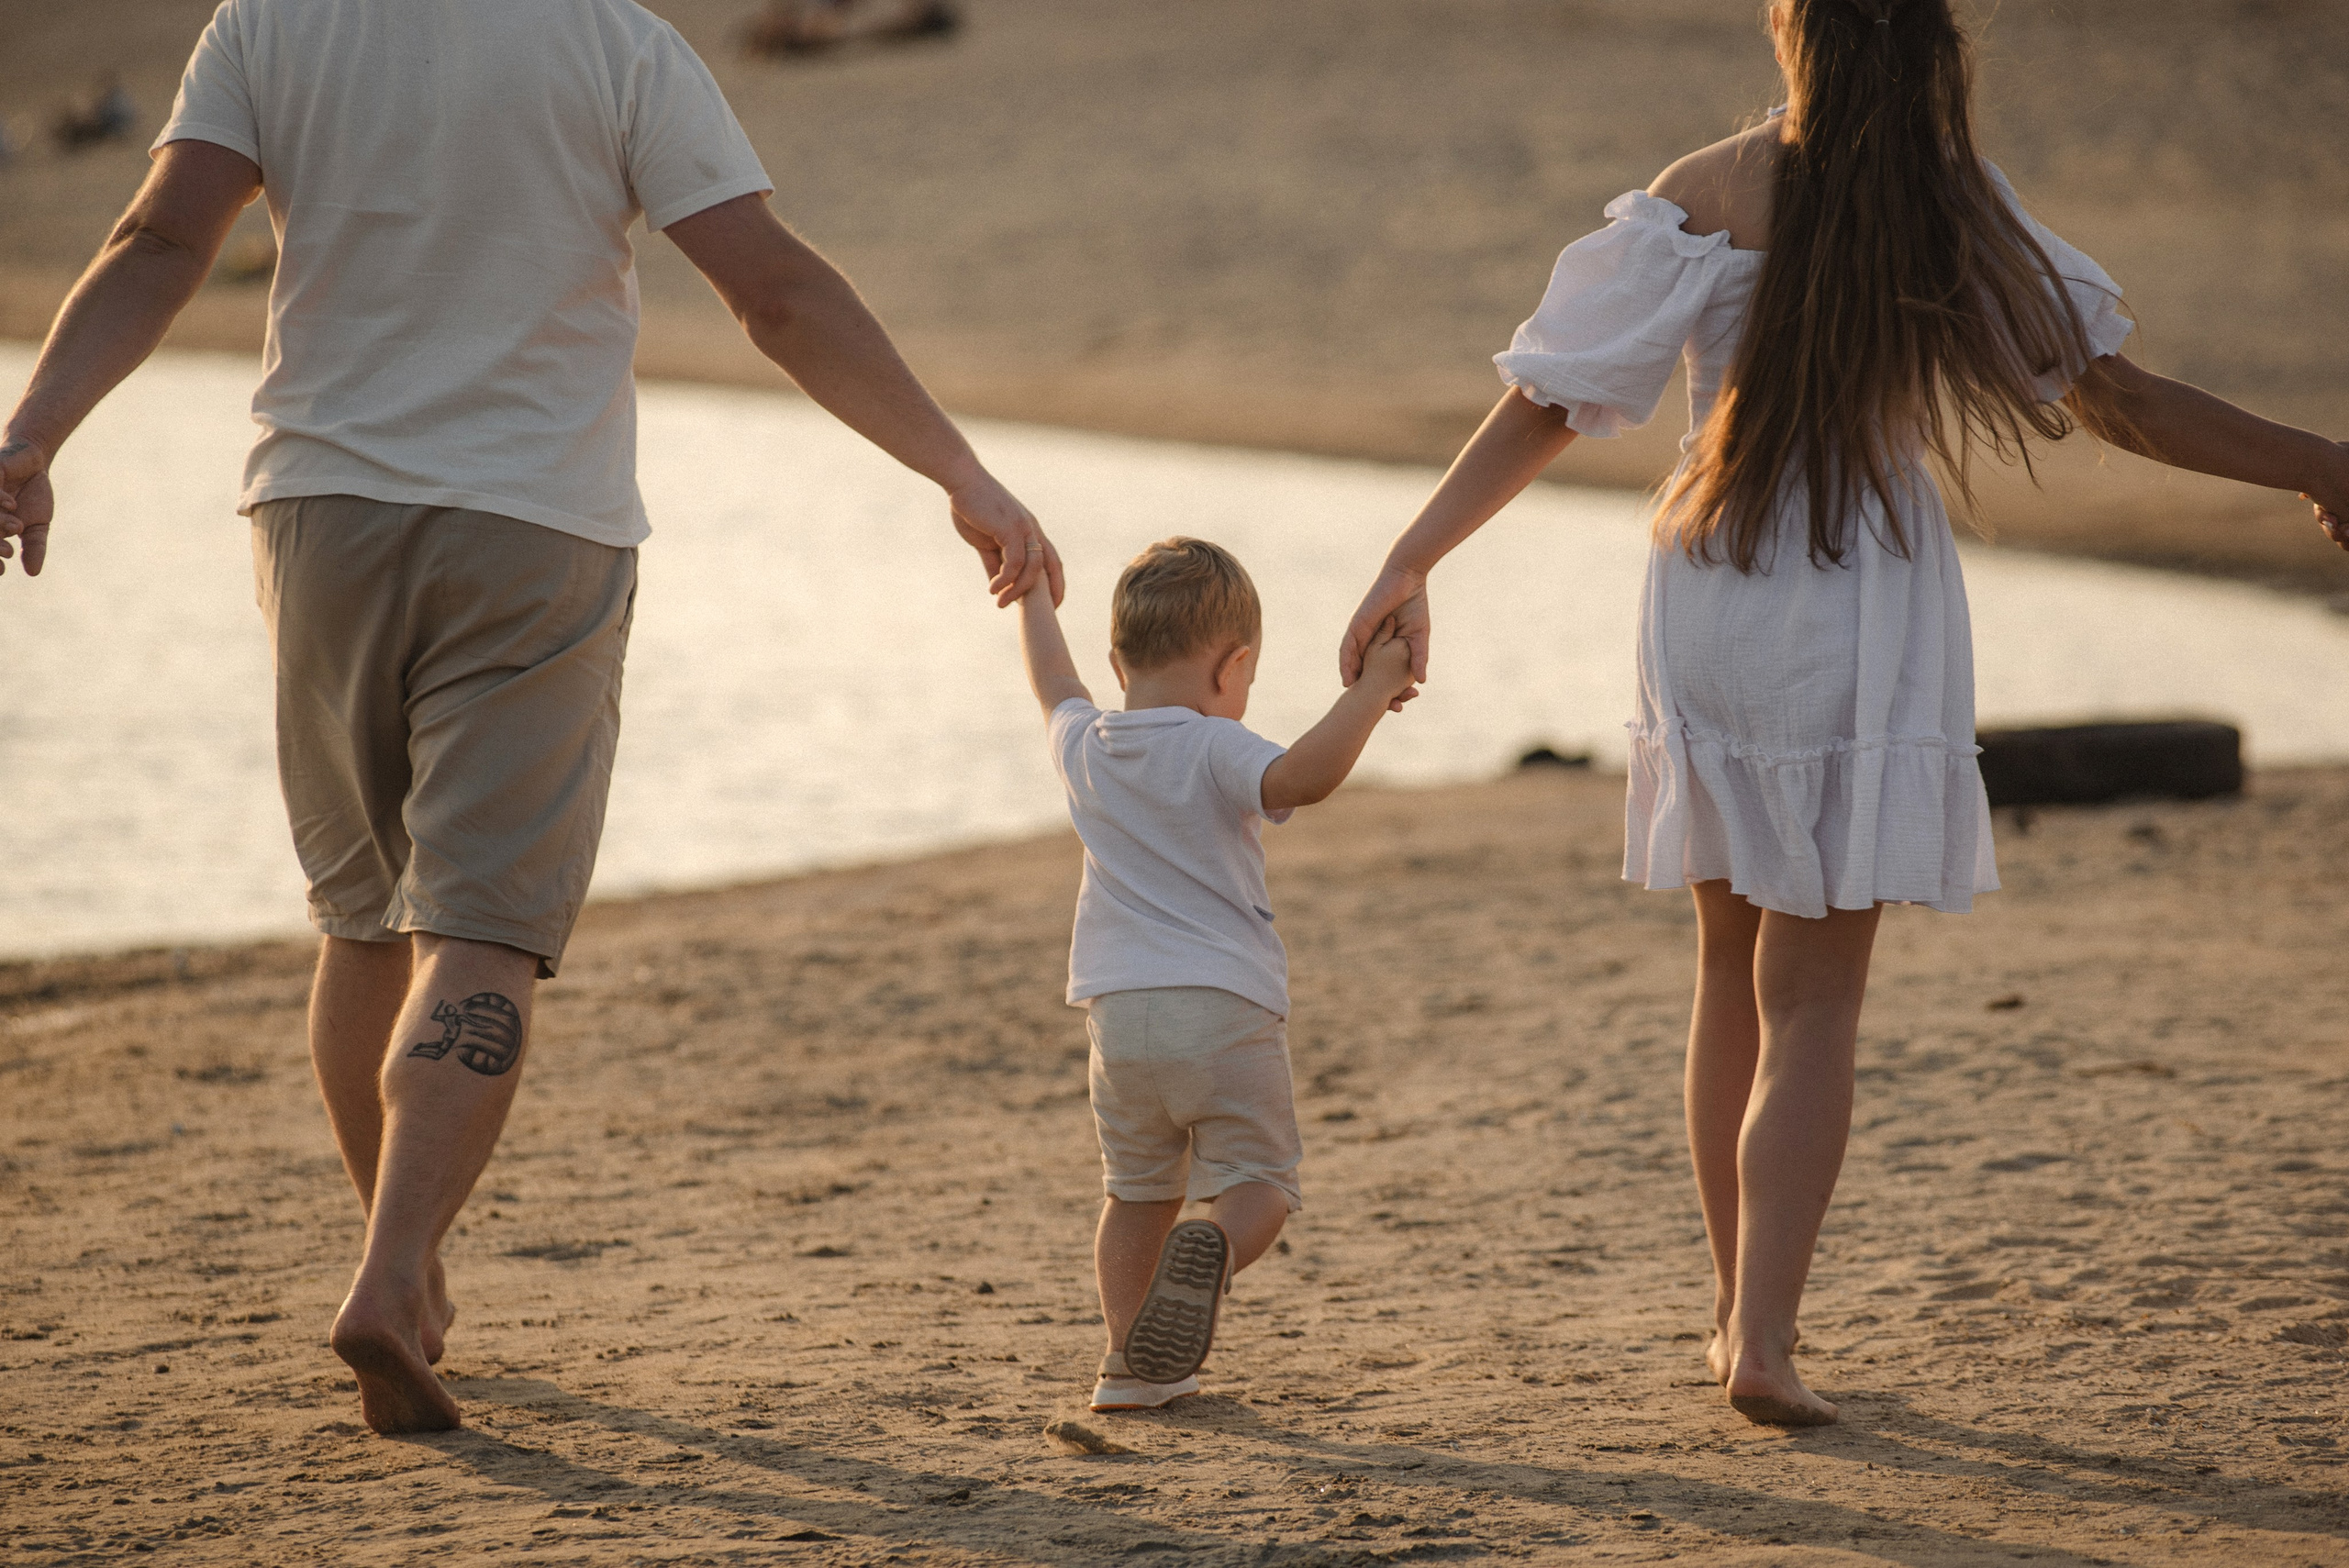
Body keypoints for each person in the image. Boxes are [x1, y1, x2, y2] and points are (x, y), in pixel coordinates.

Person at [0, 0, 1057, 1436]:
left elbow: (157, 242)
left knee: (363, 920)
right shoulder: (616, 46)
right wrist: (960, 473)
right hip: (535, 521)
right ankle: (393, 1271)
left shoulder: (270, 22)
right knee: (482, 930)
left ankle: (407, 1261)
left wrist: (33, 431)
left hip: (317, 513)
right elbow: (773, 293)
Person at [1338, 0, 2349, 1429]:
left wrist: (1411, 557)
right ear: (1929, 45)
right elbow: (2115, 398)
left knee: (1726, 968)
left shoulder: (1702, 191)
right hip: (1857, 592)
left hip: (1713, 582)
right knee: (1813, 999)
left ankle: (1730, 1315)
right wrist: (2317, 460)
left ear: (1790, 30)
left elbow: (1550, 402)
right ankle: (1764, 1337)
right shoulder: (1950, 202)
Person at [1016, 538, 1418, 1412]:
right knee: (1260, 1183)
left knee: (1134, 1193)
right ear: (1233, 667)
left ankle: (1128, 1364)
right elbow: (1301, 777)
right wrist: (1371, 692)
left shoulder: (1086, 744)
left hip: (1118, 1020)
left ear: (1118, 663)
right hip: (1224, 1007)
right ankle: (1214, 1250)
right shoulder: (1213, 745)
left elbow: (1052, 679)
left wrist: (1035, 593)